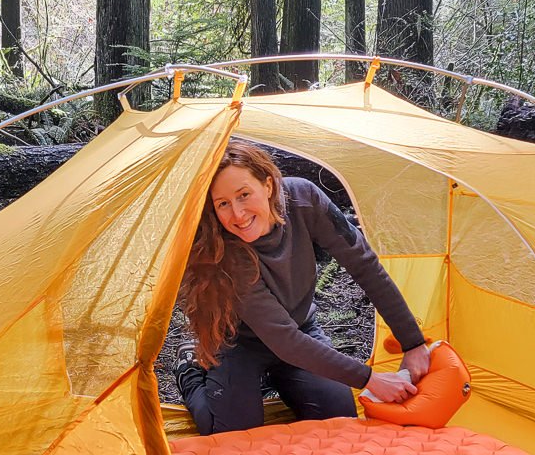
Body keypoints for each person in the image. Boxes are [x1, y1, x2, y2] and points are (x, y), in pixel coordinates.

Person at [174, 140, 431, 436]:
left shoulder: (304, 199)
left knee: (339, 418)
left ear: (268, 185)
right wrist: (370, 378)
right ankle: (190, 372)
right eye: (223, 204)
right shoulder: (227, 250)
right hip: (240, 343)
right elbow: (283, 338)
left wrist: (412, 343)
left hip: (301, 327)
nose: (238, 214)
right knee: (230, 434)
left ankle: (284, 378)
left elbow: (364, 265)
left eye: (244, 195)